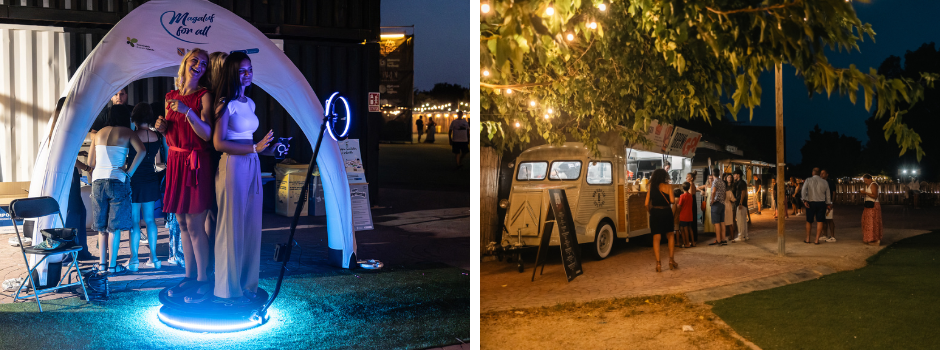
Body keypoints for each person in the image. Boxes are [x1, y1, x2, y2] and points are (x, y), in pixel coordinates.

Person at [211, 51, 278, 304]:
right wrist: (253, 149)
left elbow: (251, 141)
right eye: (242, 70)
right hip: (233, 165)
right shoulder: (225, 104)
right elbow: (219, 143)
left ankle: (248, 284)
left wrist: (268, 148)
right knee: (231, 226)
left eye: (249, 69)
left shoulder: (249, 103)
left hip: (252, 163)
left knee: (251, 226)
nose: (248, 74)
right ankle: (227, 289)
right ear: (232, 73)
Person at [154, 48, 216, 299]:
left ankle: (204, 277)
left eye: (204, 63)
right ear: (185, 63)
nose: (199, 65)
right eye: (195, 60)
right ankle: (190, 276)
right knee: (180, 223)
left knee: (195, 224)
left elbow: (207, 134)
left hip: (196, 163)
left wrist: (187, 111)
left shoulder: (204, 96)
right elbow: (171, 132)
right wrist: (162, 127)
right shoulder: (170, 96)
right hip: (176, 161)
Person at [88, 113, 146, 274]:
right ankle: (113, 266)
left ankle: (102, 266)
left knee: (102, 227)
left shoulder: (98, 133)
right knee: (115, 227)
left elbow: (90, 163)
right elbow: (142, 150)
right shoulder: (127, 132)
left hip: (98, 181)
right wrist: (130, 171)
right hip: (118, 179)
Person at [126, 103, 168, 270]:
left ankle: (134, 259)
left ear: (134, 118)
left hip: (134, 180)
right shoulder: (157, 136)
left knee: (135, 221)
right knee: (151, 220)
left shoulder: (131, 135)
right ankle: (155, 258)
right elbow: (165, 156)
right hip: (151, 179)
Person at [645, 169, 678, 272]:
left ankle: (658, 264)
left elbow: (646, 204)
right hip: (666, 212)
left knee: (656, 238)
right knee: (670, 235)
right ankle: (671, 261)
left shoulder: (651, 187)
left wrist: (651, 212)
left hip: (655, 212)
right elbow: (672, 201)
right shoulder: (668, 186)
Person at [802, 168, 831, 244]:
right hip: (821, 203)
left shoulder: (808, 180)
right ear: (819, 174)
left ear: (812, 173)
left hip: (810, 202)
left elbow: (803, 190)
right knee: (820, 221)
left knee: (809, 221)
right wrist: (828, 204)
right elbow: (828, 194)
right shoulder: (825, 182)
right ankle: (816, 240)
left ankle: (808, 239)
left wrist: (804, 200)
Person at [860, 174, 882, 245]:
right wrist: (864, 194)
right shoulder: (868, 185)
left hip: (873, 205)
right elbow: (870, 194)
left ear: (870, 179)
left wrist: (866, 192)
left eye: (866, 180)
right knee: (868, 222)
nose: (865, 182)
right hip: (868, 205)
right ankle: (870, 238)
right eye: (864, 181)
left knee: (873, 222)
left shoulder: (873, 184)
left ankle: (875, 239)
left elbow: (875, 195)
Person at [709, 173, 727, 246]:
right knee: (722, 222)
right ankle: (723, 239)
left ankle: (718, 240)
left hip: (716, 204)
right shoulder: (722, 182)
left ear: (713, 174)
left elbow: (713, 191)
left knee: (716, 223)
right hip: (722, 203)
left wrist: (712, 200)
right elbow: (725, 193)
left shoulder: (715, 182)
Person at [675, 182, 695, 248]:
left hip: (683, 215)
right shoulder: (690, 196)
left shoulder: (682, 196)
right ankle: (693, 242)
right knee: (690, 229)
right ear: (689, 188)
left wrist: (676, 205)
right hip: (690, 214)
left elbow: (679, 205)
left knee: (685, 229)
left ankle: (687, 243)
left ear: (682, 188)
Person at [732, 170, 749, 242]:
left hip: (741, 204)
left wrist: (740, 203)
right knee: (743, 220)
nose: (734, 176)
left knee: (740, 220)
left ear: (738, 175)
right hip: (743, 204)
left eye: (735, 175)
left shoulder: (741, 183)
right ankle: (745, 235)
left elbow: (743, 192)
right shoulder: (741, 182)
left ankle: (741, 236)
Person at [820, 170, 836, 242]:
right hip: (822, 202)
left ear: (827, 174)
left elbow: (834, 192)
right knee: (823, 220)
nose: (821, 174)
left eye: (823, 173)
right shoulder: (820, 182)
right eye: (821, 173)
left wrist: (832, 202)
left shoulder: (830, 182)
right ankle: (825, 235)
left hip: (828, 203)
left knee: (830, 219)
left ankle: (832, 236)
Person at [723, 174, 736, 240]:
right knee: (730, 222)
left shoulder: (721, 192)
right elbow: (733, 199)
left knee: (723, 223)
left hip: (722, 207)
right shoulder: (729, 192)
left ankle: (723, 238)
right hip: (729, 207)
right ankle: (732, 237)